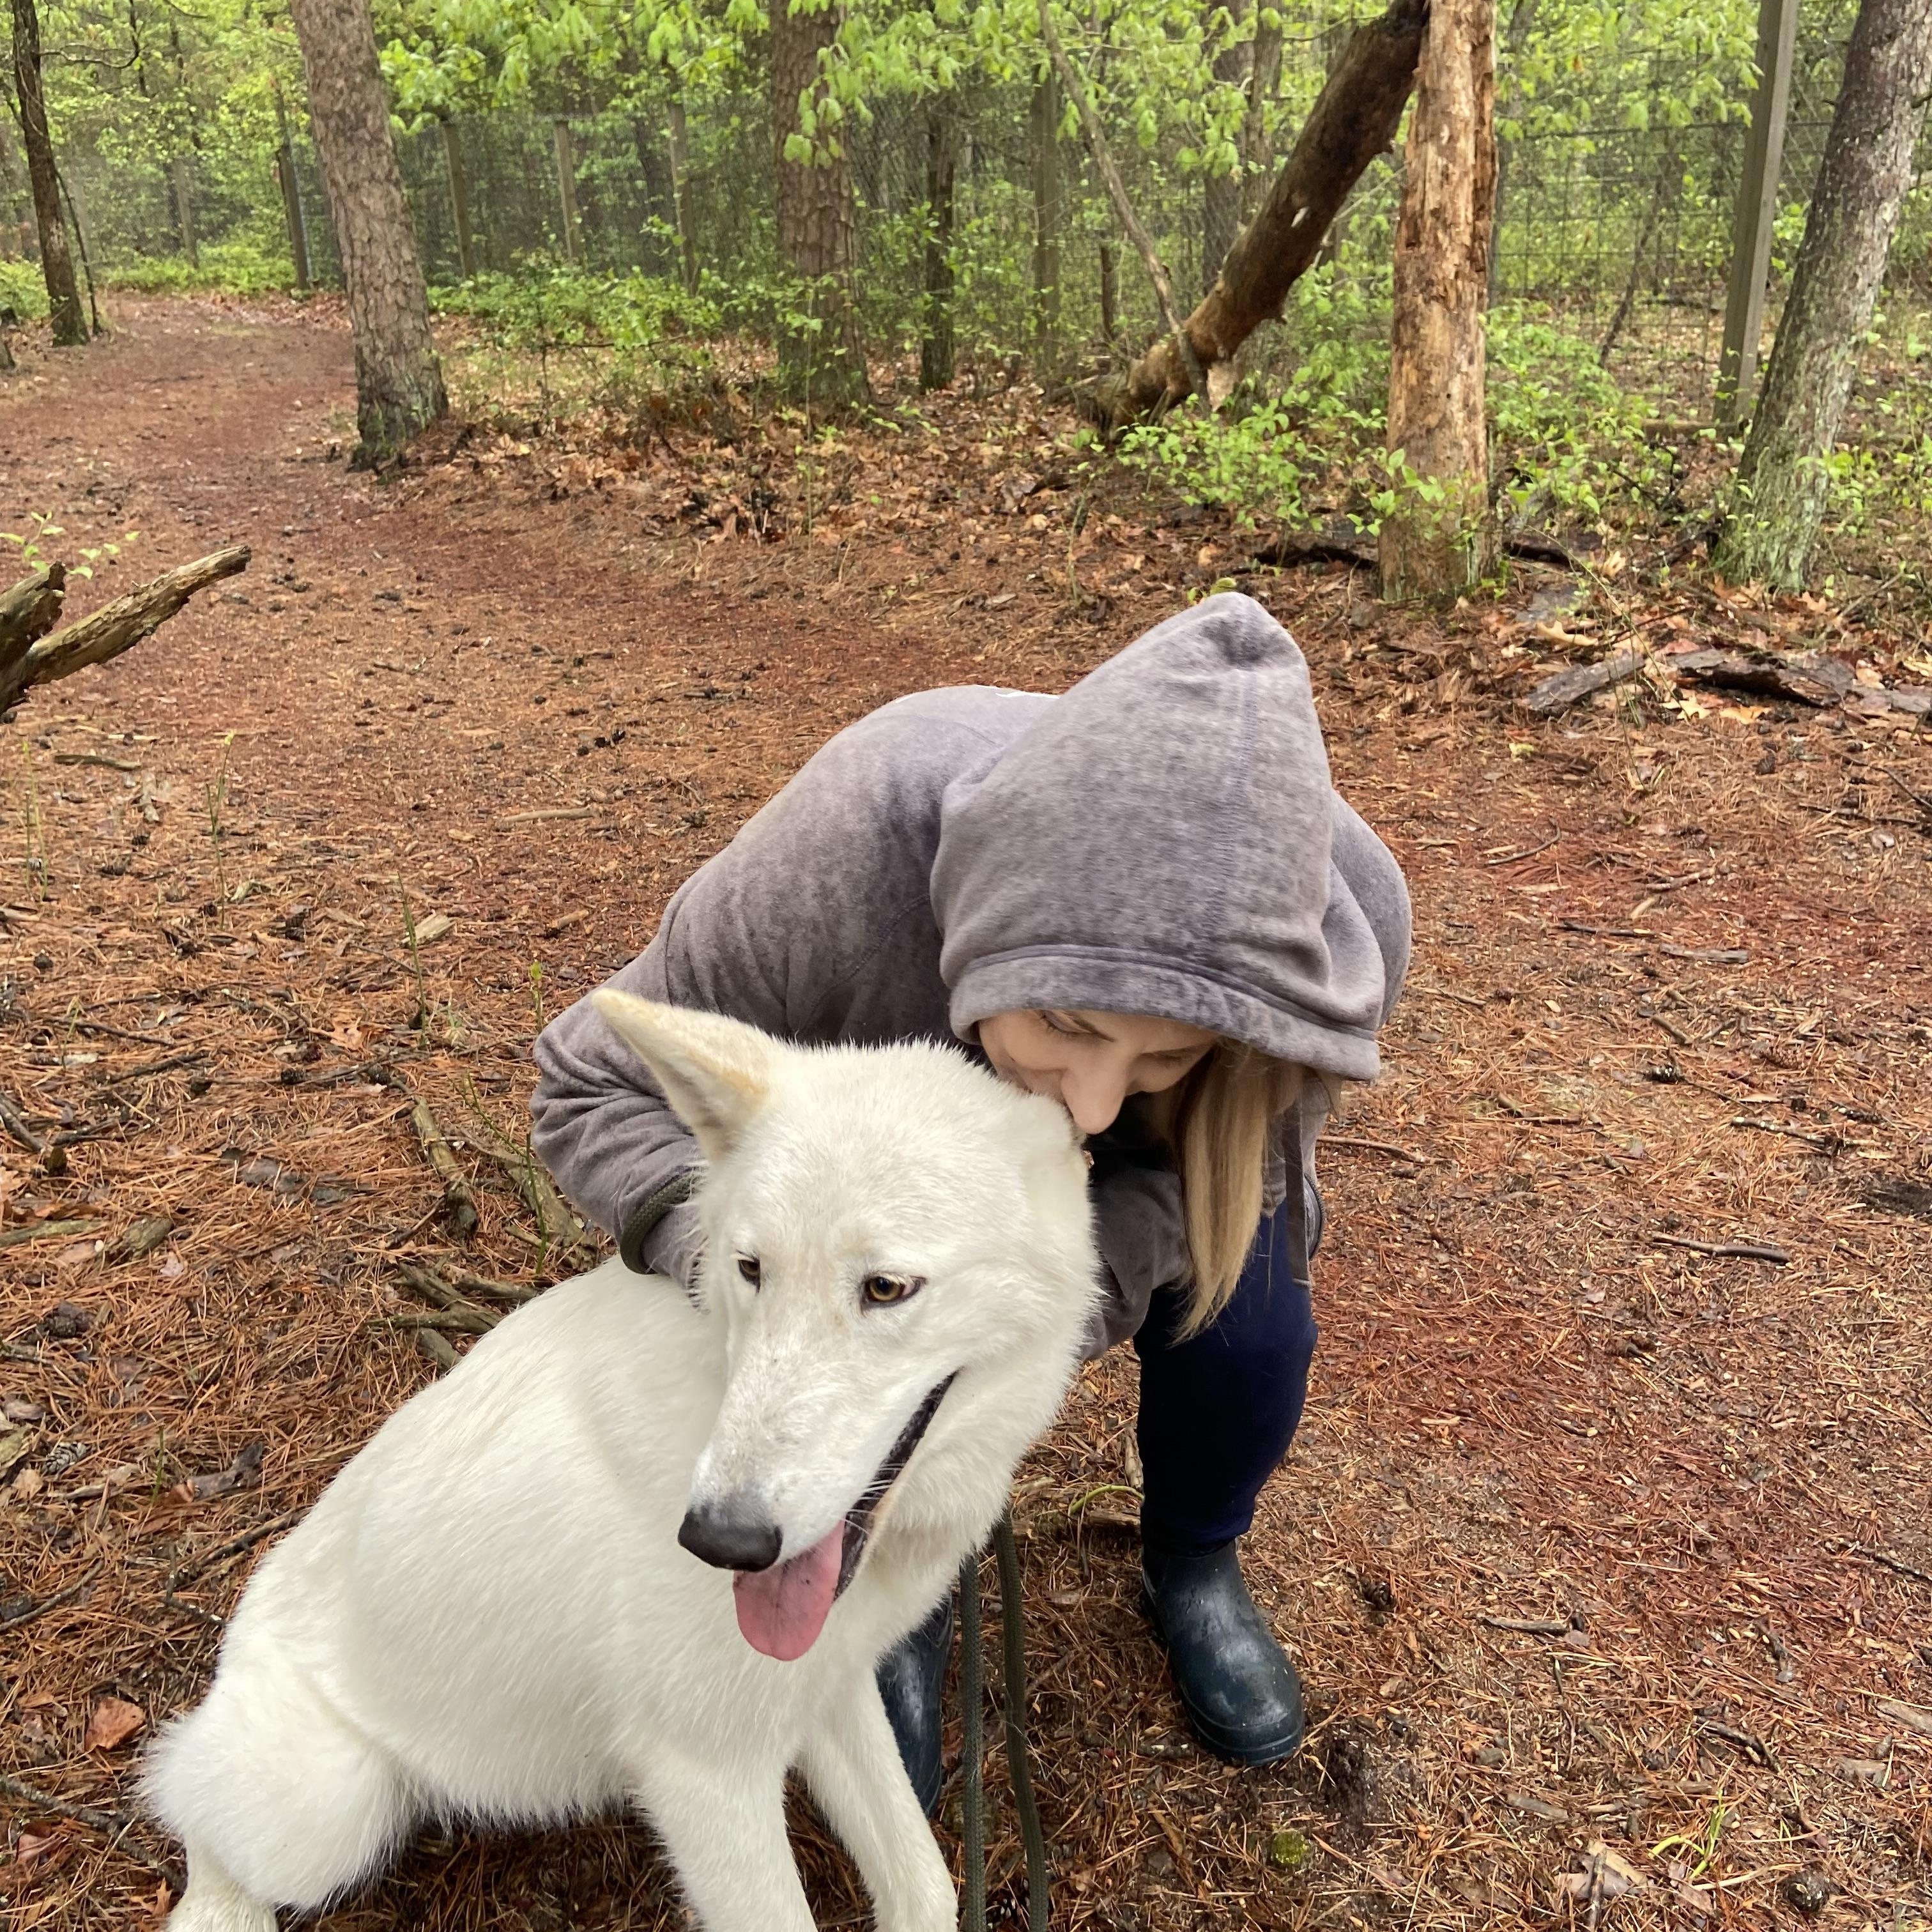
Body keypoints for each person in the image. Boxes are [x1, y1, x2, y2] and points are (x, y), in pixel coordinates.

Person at [530, 592, 1410, 1804]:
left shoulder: (1325, 936)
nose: (1093, 1105)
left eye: (1162, 1058)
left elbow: (1242, 1170)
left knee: (1253, 1330)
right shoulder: (852, 844)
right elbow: (587, 1080)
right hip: (851, 1176)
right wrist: (729, 1256)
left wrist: (1037, 1310)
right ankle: (887, 1585)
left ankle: (1195, 1558)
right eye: (1065, 1023)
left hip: (1146, 1196)